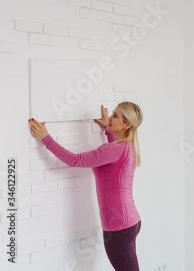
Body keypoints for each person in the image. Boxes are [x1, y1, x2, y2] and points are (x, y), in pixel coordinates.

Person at [29, 102, 143, 271]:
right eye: (113, 113)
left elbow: (74, 160)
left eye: (115, 116)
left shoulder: (113, 150)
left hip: (119, 228)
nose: (110, 117)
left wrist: (46, 138)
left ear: (127, 125)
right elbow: (112, 154)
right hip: (129, 223)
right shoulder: (128, 146)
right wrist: (108, 129)